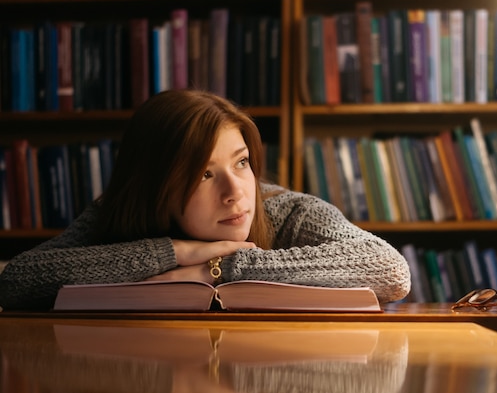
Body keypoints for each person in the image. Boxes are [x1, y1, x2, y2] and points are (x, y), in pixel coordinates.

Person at [0, 90, 410, 310]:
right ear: (155, 186)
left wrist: (218, 267)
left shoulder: (289, 209)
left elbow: (390, 269)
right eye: (204, 174)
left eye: (242, 163)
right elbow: (17, 280)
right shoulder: (114, 211)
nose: (236, 193)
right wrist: (178, 251)